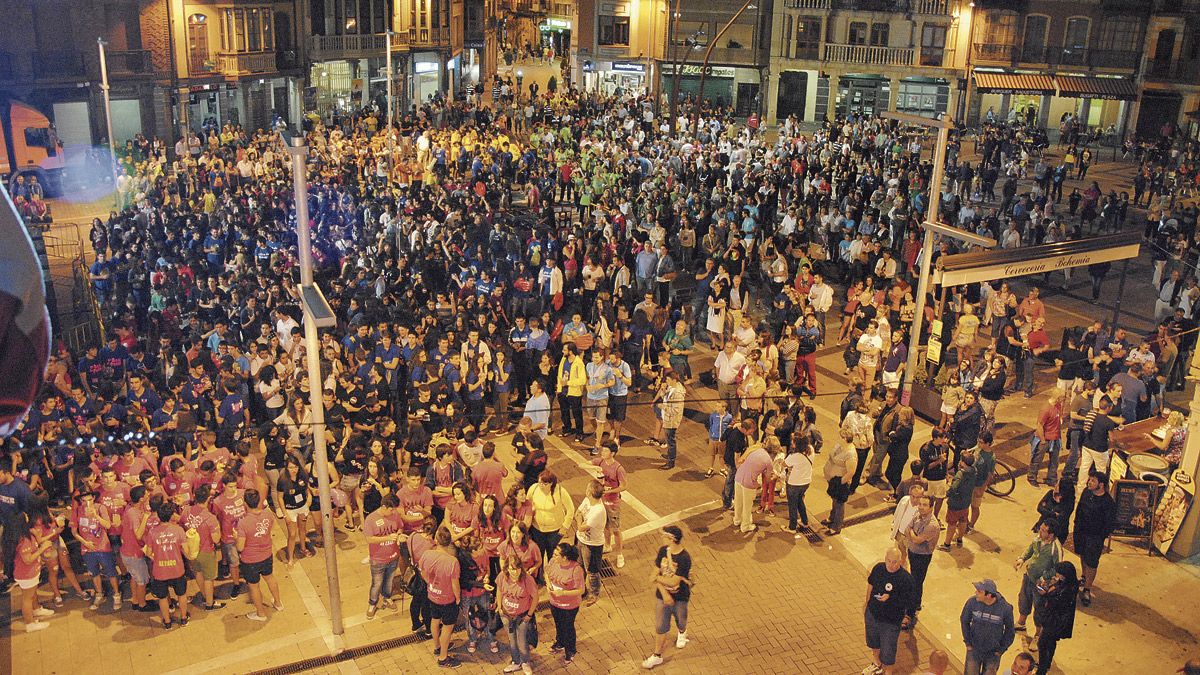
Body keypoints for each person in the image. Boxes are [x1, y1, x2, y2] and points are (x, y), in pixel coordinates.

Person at [642, 525, 692, 670]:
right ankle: (657, 655)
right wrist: (664, 593)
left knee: (681, 620)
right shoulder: (663, 551)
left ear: (671, 539)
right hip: (662, 596)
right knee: (660, 626)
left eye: (665, 536)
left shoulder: (684, 558)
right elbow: (655, 574)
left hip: (680, 597)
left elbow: (673, 581)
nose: (662, 538)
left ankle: (682, 632)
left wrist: (657, 578)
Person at [863, 547, 915, 675]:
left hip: (891, 621)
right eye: (889, 561)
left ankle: (888, 672)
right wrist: (868, 604)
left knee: (888, 649)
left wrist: (890, 598)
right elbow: (870, 585)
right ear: (885, 559)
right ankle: (876, 663)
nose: (891, 565)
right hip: (873, 614)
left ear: (901, 561)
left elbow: (908, 602)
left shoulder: (905, 579)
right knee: (873, 641)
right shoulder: (878, 569)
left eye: (895, 562)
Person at [236, 489, 283, 622]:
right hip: (267, 554)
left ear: (245, 503)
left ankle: (261, 613)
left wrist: (236, 537)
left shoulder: (243, 523)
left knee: (254, 586)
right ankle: (278, 603)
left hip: (250, 560)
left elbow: (240, 546)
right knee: (270, 578)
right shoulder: (268, 515)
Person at [145, 502, 193, 629]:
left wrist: (158, 558)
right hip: (177, 570)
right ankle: (183, 618)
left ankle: (167, 622)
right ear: (171, 516)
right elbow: (186, 551)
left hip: (160, 572)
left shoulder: (152, 532)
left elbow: (149, 553)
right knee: (181, 595)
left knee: (162, 597)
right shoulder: (178, 530)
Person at [420, 526, 463, 668]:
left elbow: (423, 572)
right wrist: (458, 597)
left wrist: (430, 584)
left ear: (436, 540)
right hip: (447, 598)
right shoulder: (452, 562)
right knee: (447, 627)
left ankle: (437, 646)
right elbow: (455, 583)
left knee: (435, 619)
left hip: (432, 595)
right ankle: (443, 658)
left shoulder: (426, 554)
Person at [4, 512, 54, 631]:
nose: (28, 517)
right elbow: (27, 560)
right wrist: (42, 549)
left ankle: (36, 609)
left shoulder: (25, 534)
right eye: (25, 516)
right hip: (26, 573)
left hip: (31, 572)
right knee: (27, 598)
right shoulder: (23, 540)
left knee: (32, 594)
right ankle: (30, 623)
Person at [1073, 471, 1116, 607]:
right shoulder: (1087, 492)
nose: (1089, 482)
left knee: (1092, 562)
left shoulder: (1108, 503)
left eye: (1092, 481)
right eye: (1089, 480)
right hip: (1081, 532)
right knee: (1082, 556)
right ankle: (1084, 577)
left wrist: (1099, 536)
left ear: (1101, 485)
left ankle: (1087, 588)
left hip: (1095, 537)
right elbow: (1079, 508)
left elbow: (1109, 524)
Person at [1014, 519, 1062, 632]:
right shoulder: (1038, 539)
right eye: (1040, 529)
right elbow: (1031, 549)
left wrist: (1044, 577)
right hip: (1029, 576)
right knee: (1024, 599)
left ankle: (1038, 634)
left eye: (1043, 531)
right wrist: (1022, 559)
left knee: (1040, 608)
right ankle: (1021, 623)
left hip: (1041, 584)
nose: (1040, 532)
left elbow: (1058, 569)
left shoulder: (1056, 549)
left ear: (1051, 534)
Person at [961, 579, 1016, 675]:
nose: (976, 593)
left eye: (979, 591)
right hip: (974, 649)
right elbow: (964, 620)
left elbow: (1010, 631)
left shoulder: (1005, 609)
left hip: (993, 653)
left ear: (989, 595)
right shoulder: (972, 602)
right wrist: (968, 643)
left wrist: (1000, 650)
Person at [1032, 561, 1078, 674]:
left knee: (1042, 643)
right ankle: (1046, 663)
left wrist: (1045, 594)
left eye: (1059, 574)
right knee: (1051, 642)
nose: (1057, 576)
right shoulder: (1066, 584)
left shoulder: (1067, 590)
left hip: (1055, 621)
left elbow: (1056, 603)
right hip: (1055, 620)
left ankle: (1042, 669)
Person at [364, 494, 404, 619]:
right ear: (383, 506)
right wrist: (388, 537)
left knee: (389, 580)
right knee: (377, 583)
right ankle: (372, 603)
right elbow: (369, 539)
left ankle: (387, 597)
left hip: (393, 556)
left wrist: (398, 534)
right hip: (378, 559)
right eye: (391, 509)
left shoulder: (395, 515)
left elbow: (400, 527)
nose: (393, 512)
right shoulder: (371, 519)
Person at [496, 556, 538, 674]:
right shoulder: (502, 577)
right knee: (511, 639)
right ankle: (515, 662)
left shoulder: (527, 580)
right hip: (506, 615)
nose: (515, 572)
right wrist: (499, 608)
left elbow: (535, 598)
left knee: (521, 640)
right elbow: (499, 590)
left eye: (517, 568)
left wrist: (529, 615)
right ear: (507, 568)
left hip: (522, 616)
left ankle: (525, 662)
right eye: (511, 569)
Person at [546, 542, 585, 664]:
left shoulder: (576, 569)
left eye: (557, 554)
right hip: (554, 602)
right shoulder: (553, 562)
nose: (553, 555)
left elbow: (581, 590)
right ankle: (560, 643)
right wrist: (548, 585)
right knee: (558, 624)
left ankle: (570, 650)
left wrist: (563, 593)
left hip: (569, 606)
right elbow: (546, 573)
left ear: (565, 557)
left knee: (568, 627)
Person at [905, 495, 941, 628]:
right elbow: (906, 528)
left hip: (922, 556)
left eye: (925, 505)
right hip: (913, 552)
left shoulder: (932, 525)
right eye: (920, 504)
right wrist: (912, 533)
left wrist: (912, 533)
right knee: (915, 580)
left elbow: (916, 540)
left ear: (931, 507)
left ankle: (910, 612)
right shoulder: (917, 516)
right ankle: (917, 603)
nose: (921, 507)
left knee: (915, 582)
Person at [593, 442, 627, 568]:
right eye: (603, 450)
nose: (602, 452)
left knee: (616, 530)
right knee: (605, 526)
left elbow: (624, 486)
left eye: (606, 451)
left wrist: (609, 491)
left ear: (612, 453)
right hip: (602, 500)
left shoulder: (619, 469)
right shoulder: (600, 462)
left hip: (613, 502)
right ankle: (607, 545)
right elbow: (582, 464)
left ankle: (620, 555)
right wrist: (594, 468)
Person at [574, 479, 607, 603]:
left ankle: (594, 593)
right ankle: (581, 589)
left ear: (589, 492)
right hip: (581, 540)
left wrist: (579, 521)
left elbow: (581, 526)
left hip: (592, 545)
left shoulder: (598, 510)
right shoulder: (587, 501)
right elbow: (577, 512)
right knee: (580, 565)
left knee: (592, 571)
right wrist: (579, 520)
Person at [733, 436, 773, 534]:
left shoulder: (756, 449)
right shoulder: (768, 461)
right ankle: (745, 526)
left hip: (738, 476)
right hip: (749, 483)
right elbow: (768, 479)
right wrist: (775, 476)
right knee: (747, 506)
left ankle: (737, 520)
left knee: (738, 501)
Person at [823, 427, 857, 536]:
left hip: (840, 483)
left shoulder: (850, 453)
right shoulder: (840, 446)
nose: (838, 438)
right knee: (834, 501)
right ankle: (831, 517)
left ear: (846, 438)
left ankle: (836, 526)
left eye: (841, 437)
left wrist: (839, 483)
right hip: (832, 479)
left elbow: (851, 472)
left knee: (839, 504)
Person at [940, 453, 977, 551]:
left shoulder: (960, 474)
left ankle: (947, 544)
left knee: (952, 523)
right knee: (963, 520)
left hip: (956, 503)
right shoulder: (974, 471)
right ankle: (959, 539)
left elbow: (954, 488)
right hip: (966, 501)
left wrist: (946, 494)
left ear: (963, 463)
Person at [781, 437, 814, 534]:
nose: (791, 444)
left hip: (794, 484)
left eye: (793, 443)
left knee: (792, 505)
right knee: (800, 501)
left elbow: (784, 464)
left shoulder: (794, 456)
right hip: (806, 482)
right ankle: (804, 521)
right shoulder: (811, 450)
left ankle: (792, 527)